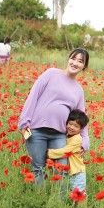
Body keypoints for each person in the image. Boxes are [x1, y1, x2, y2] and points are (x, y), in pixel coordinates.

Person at [18, 48, 90, 185]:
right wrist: (24, 121)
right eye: (73, 59)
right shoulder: (51, 74)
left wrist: (85, 141)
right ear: (68, 59)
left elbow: (81, 118)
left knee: (62, 169)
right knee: (37, 168)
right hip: (37, 130)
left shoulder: (78, 90)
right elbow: (33, 95)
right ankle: (40, 200)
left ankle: (59, 204)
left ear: (84, 66)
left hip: (59, 134)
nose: (75, 63)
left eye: (80, 61)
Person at [47, 109, 88, 193]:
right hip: (71, 172)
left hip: (77, 173)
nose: (71, 127)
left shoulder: (77, 139)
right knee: (70, 193)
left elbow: (65, 151)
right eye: (70, 124)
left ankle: (82, 207)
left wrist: (48, 153)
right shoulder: (67, 136)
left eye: (76, 126)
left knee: (78, 195)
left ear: (81, 129)